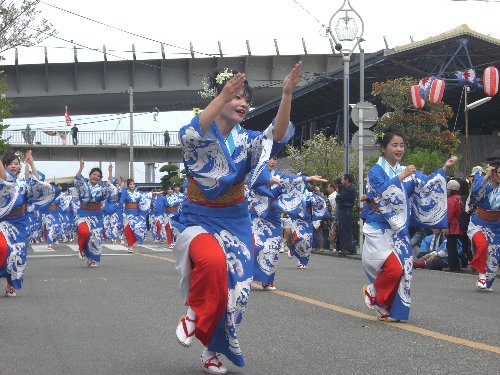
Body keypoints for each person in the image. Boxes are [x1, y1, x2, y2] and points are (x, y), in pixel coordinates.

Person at [173, 62, 302, 374]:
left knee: (237, 291)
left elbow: (277, 135)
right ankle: (194, 312)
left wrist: (286, 95)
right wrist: (221, 96)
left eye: (247, 98)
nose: (243, 103)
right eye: (237, 96)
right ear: (221, 96)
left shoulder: (248, 140)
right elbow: (190, 134)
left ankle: (211, 350)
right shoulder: (202, 130)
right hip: (198, 218)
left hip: (236, 219)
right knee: (213, 263)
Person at [361, 126, 457, 322]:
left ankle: (384, 304)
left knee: (405, 269)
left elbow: (427, 185)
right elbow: (380, 193)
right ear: (383, 148)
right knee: (393, 269)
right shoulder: (376, 171)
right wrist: (401, 177)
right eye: (394, 145)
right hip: (379, 227)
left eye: (402, 145)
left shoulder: (406, 171)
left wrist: (445, 168)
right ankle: (374, 291)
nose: (399, 149)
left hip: (399, 229)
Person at [249, 156, 326, 289]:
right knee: (257, 247)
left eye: (274, 159)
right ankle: (249, 276)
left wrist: (308, 178)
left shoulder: (279, 176)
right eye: (269, 159)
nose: (272, 161)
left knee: (272, 248)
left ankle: (267, 281)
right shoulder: (254, 174)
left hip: (273, 216)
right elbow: (253, 186)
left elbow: (292, 179)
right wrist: (267, 182)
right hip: (257, 215)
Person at [0, 150, 59, 296]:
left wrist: (30, 163)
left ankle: (10, 284)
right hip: (3, 221)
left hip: (19, 223)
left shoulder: (22, 184)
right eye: (10, 164)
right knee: (3, 248)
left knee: (17, 253)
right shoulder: (4, 180)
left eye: (16, 164)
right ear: (5, 166)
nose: (13, 166)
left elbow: (37, 184)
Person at [74, 158, 117, 267]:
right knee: (84, 232)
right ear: (90, 175)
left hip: (97, 215)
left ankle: (92, 259)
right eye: (94, 174)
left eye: (98, 176)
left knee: (95, 238)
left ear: (100, 178)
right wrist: (81, 168)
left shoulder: (101, 189)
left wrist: (110, 172)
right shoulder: (84, 186)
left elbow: (110, 187)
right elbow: (77, 179)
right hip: (83, 213)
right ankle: (81, 249)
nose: (96, 176)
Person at [467, 160, 500, 292]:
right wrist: (486, 177)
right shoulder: (483, 181)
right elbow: (474, 195)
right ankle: (481, 274)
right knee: (482, 245)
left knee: (494, 256)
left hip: (496, 226)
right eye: (499, 172)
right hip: (478, 223)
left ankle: (486, 281)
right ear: (493, 172)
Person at [120, 178, 152, 253]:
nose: (132, 185)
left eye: (133, 184)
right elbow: (121, 198)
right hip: (127, 214)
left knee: (138, 228)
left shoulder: (138, 193)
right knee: (128, 230)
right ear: (128, 185)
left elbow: (146, 196)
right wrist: (121, 185)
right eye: (130, 184)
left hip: (136, 213)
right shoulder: (126, 193)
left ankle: (133, 242)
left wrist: (155, 193)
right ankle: (130, 246)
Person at [445, 179, 466, 271]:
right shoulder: (460, 199)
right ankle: (460, 263)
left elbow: (449, 214)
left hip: (452, 226)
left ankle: (453, 266)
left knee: (451, 246)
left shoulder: (450, 200)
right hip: (460, 225)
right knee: (459, 245)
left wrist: (445, 227)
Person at [336, 173, 355, 256]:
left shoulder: (351, 189)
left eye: (343, 179)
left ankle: (348, 248)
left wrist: (339, 197)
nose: (341, 181)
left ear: (347, 180)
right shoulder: (344, 188)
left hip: (346, 210)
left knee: (346, 229)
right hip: (342, 209)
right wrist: (339, 197)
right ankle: (344, 247)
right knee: (341, 229)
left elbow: (341, 197)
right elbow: (338, 199)